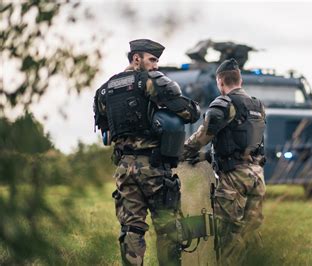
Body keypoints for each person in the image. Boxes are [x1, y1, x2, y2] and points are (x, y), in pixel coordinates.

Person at [93, 39, 200, 266]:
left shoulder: (104, 90)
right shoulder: (149, 82)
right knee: (168, 227)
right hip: (153, 167)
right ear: (136, 59)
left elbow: (106, 132)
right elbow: (190, 113)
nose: (156, 65)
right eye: (152, 60)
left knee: (131, 227)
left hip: (124, 169)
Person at [182, 58, 266, 265]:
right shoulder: (257, 105)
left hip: (233, 179)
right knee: (251, 231)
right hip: (256, 176)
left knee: (229, 234)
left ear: (220, 82)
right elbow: (241, 141)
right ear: (240, 80)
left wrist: (181, 152)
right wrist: (207, 156)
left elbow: (203, 136)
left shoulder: (225, 103)